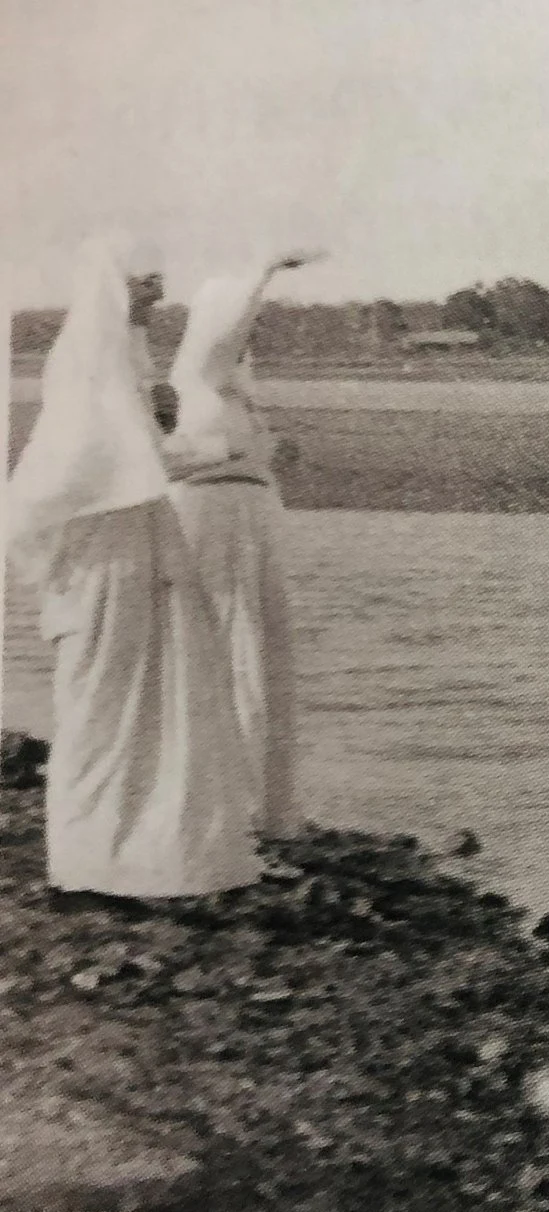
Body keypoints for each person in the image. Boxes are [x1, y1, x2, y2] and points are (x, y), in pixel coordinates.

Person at [4, 235, 258, 899]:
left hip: (144, 547)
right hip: (104, 563)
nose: (160, 293)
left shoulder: (123, 370)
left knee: (172, 693)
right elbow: (68, 477)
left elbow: (138, 457)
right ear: (117, 288)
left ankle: (158, 851)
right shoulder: (90, 376)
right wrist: (185, 447)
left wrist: (176, 440)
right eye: (147, 282)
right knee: (102, 704)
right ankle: (91, 859)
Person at [163, 248, 323, 838]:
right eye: (242, 323)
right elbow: (224, 337)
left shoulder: (234, 393)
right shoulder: (196, 377)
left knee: (267, 646)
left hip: (252, 519)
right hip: (213, 518)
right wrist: (262, 273)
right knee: (229, 643)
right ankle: (224, 801)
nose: (247, 337)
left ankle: (266, 803)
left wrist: (271, 455)